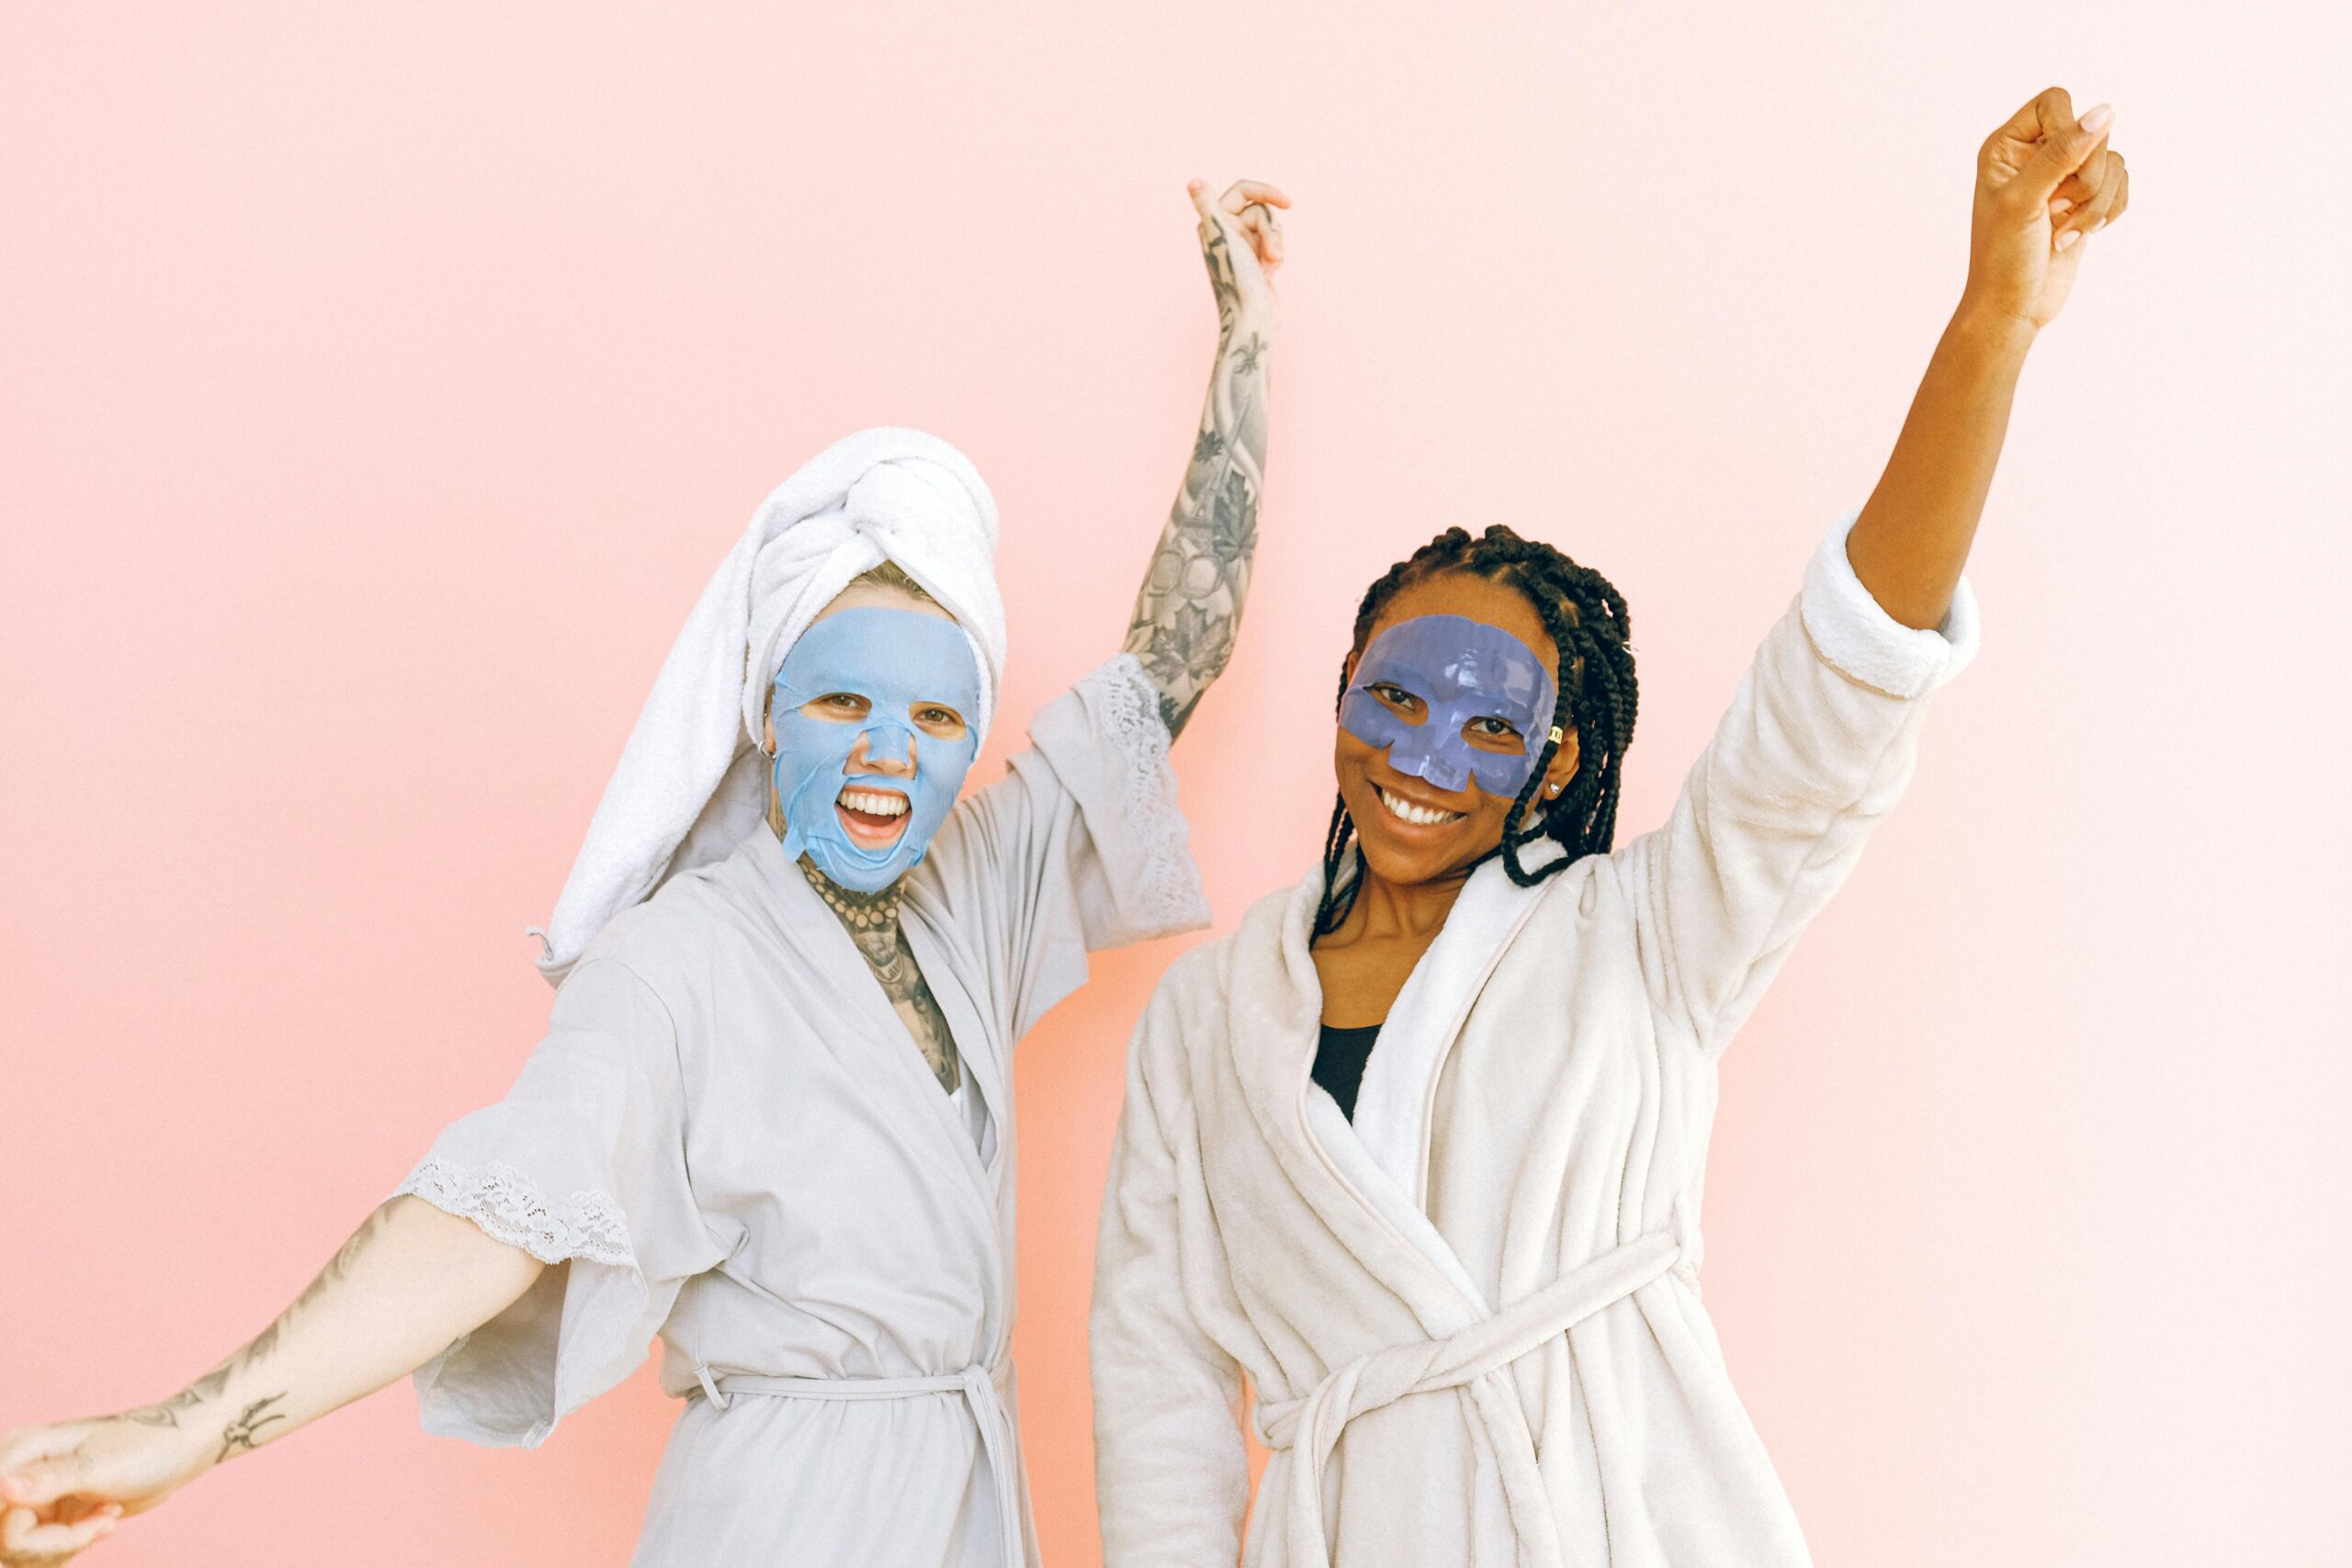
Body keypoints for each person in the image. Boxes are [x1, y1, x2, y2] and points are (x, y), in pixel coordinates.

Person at [0, 177, 1289, 1568]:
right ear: (767, 712)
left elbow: (1170, 662)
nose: (888, 753)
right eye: (842, 703)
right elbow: (488, 1217)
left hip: (967, 1500)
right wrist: (184, 1428)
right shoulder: (679, 964)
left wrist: (1248, 348)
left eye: (934, 716)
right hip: (784, 1515)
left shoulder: (978, 892)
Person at [1091, 89, 2127, 1568]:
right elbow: (1159, 1396)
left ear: (1555, 758)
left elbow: (1829, 707)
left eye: (1490, 728)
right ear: (1345, 687)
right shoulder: (1207, 1023)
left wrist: (1992, 325)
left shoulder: (1645, 939)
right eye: (1396, 697)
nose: (1424, 757)